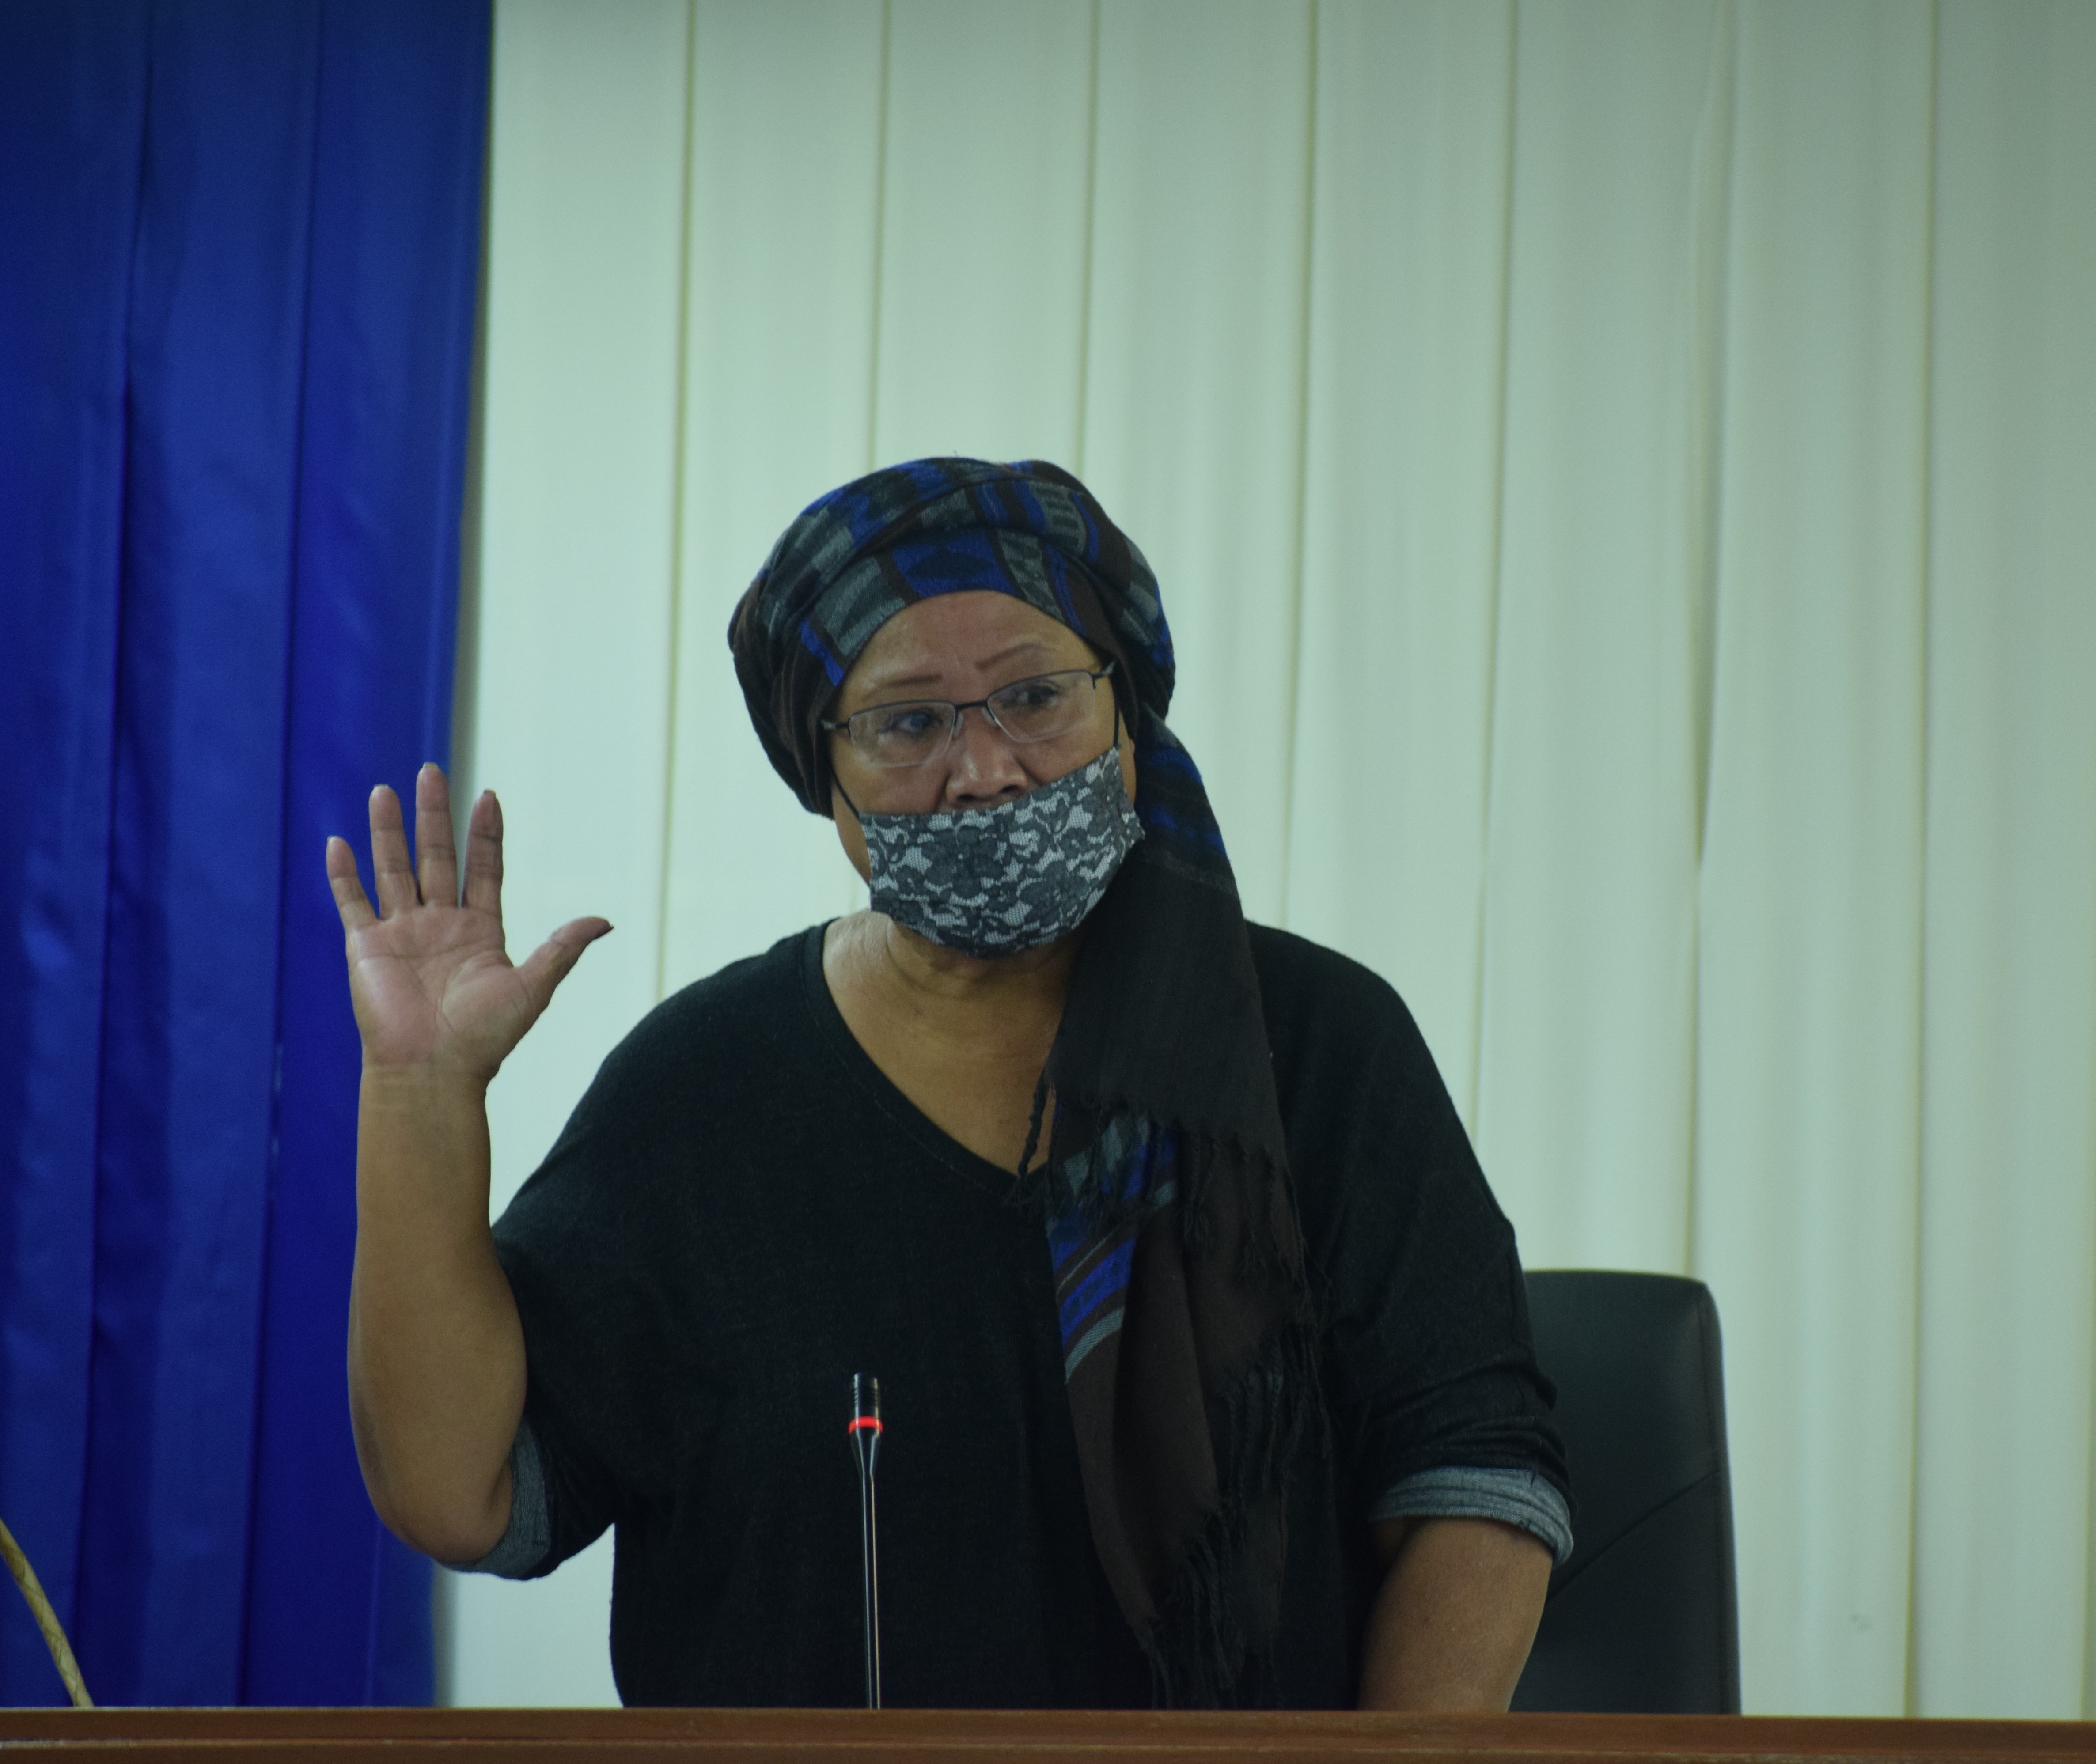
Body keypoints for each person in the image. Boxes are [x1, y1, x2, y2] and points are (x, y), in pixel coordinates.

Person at [330, 458, 1568, 1710]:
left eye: (1035, 696)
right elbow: (458, 1489)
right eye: (909, 722)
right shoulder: (702, 1090)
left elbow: (1477, 1485)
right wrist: (420, 1091)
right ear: (825, 771)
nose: (985, 769)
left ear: (1125, 709)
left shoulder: (1317, 1046)